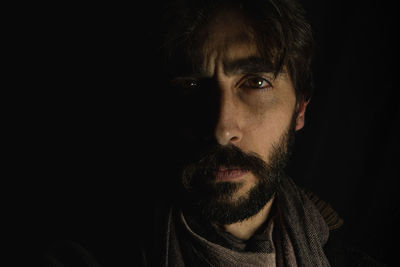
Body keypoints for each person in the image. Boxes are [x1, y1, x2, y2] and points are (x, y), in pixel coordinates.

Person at [39, 0, 386, 266]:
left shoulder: (350, 257)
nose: (221, 130)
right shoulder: (92, 253)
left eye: (256, 83)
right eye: (192, 84)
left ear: (300, 109)